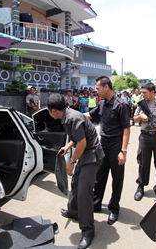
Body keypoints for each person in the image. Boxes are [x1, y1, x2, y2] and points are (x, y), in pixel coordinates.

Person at [47, 94, 105, 249]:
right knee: (75, 184)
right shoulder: (67, 116)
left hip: (91, 155)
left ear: (53, 111)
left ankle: (88, 230)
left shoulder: (73, 118)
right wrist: (67, 147)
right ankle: (74, 212)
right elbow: (77, 137)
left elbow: (82, 143)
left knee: (84, 193)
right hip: (84, 152)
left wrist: (71, 162)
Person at [84, 76, 130, 225]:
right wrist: (70, 114)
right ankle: (96, 204)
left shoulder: (121, 105)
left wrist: (123, 151)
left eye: (98, 88)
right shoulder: (102, 103)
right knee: (99, 176)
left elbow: (126, 129)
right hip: (103, 144)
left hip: (116, 145)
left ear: (106, 87)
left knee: (117, 179)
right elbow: (90, 115)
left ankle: (114, 208)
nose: (96, 91)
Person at [133, 83, 156, 201]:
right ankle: (141, 186)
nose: (142, 94)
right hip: (145, 137)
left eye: (145, 92)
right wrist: (141, 117)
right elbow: (134, 119)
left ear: (153, 92)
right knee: (143, 162)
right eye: (142, 92)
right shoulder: (141, 105)